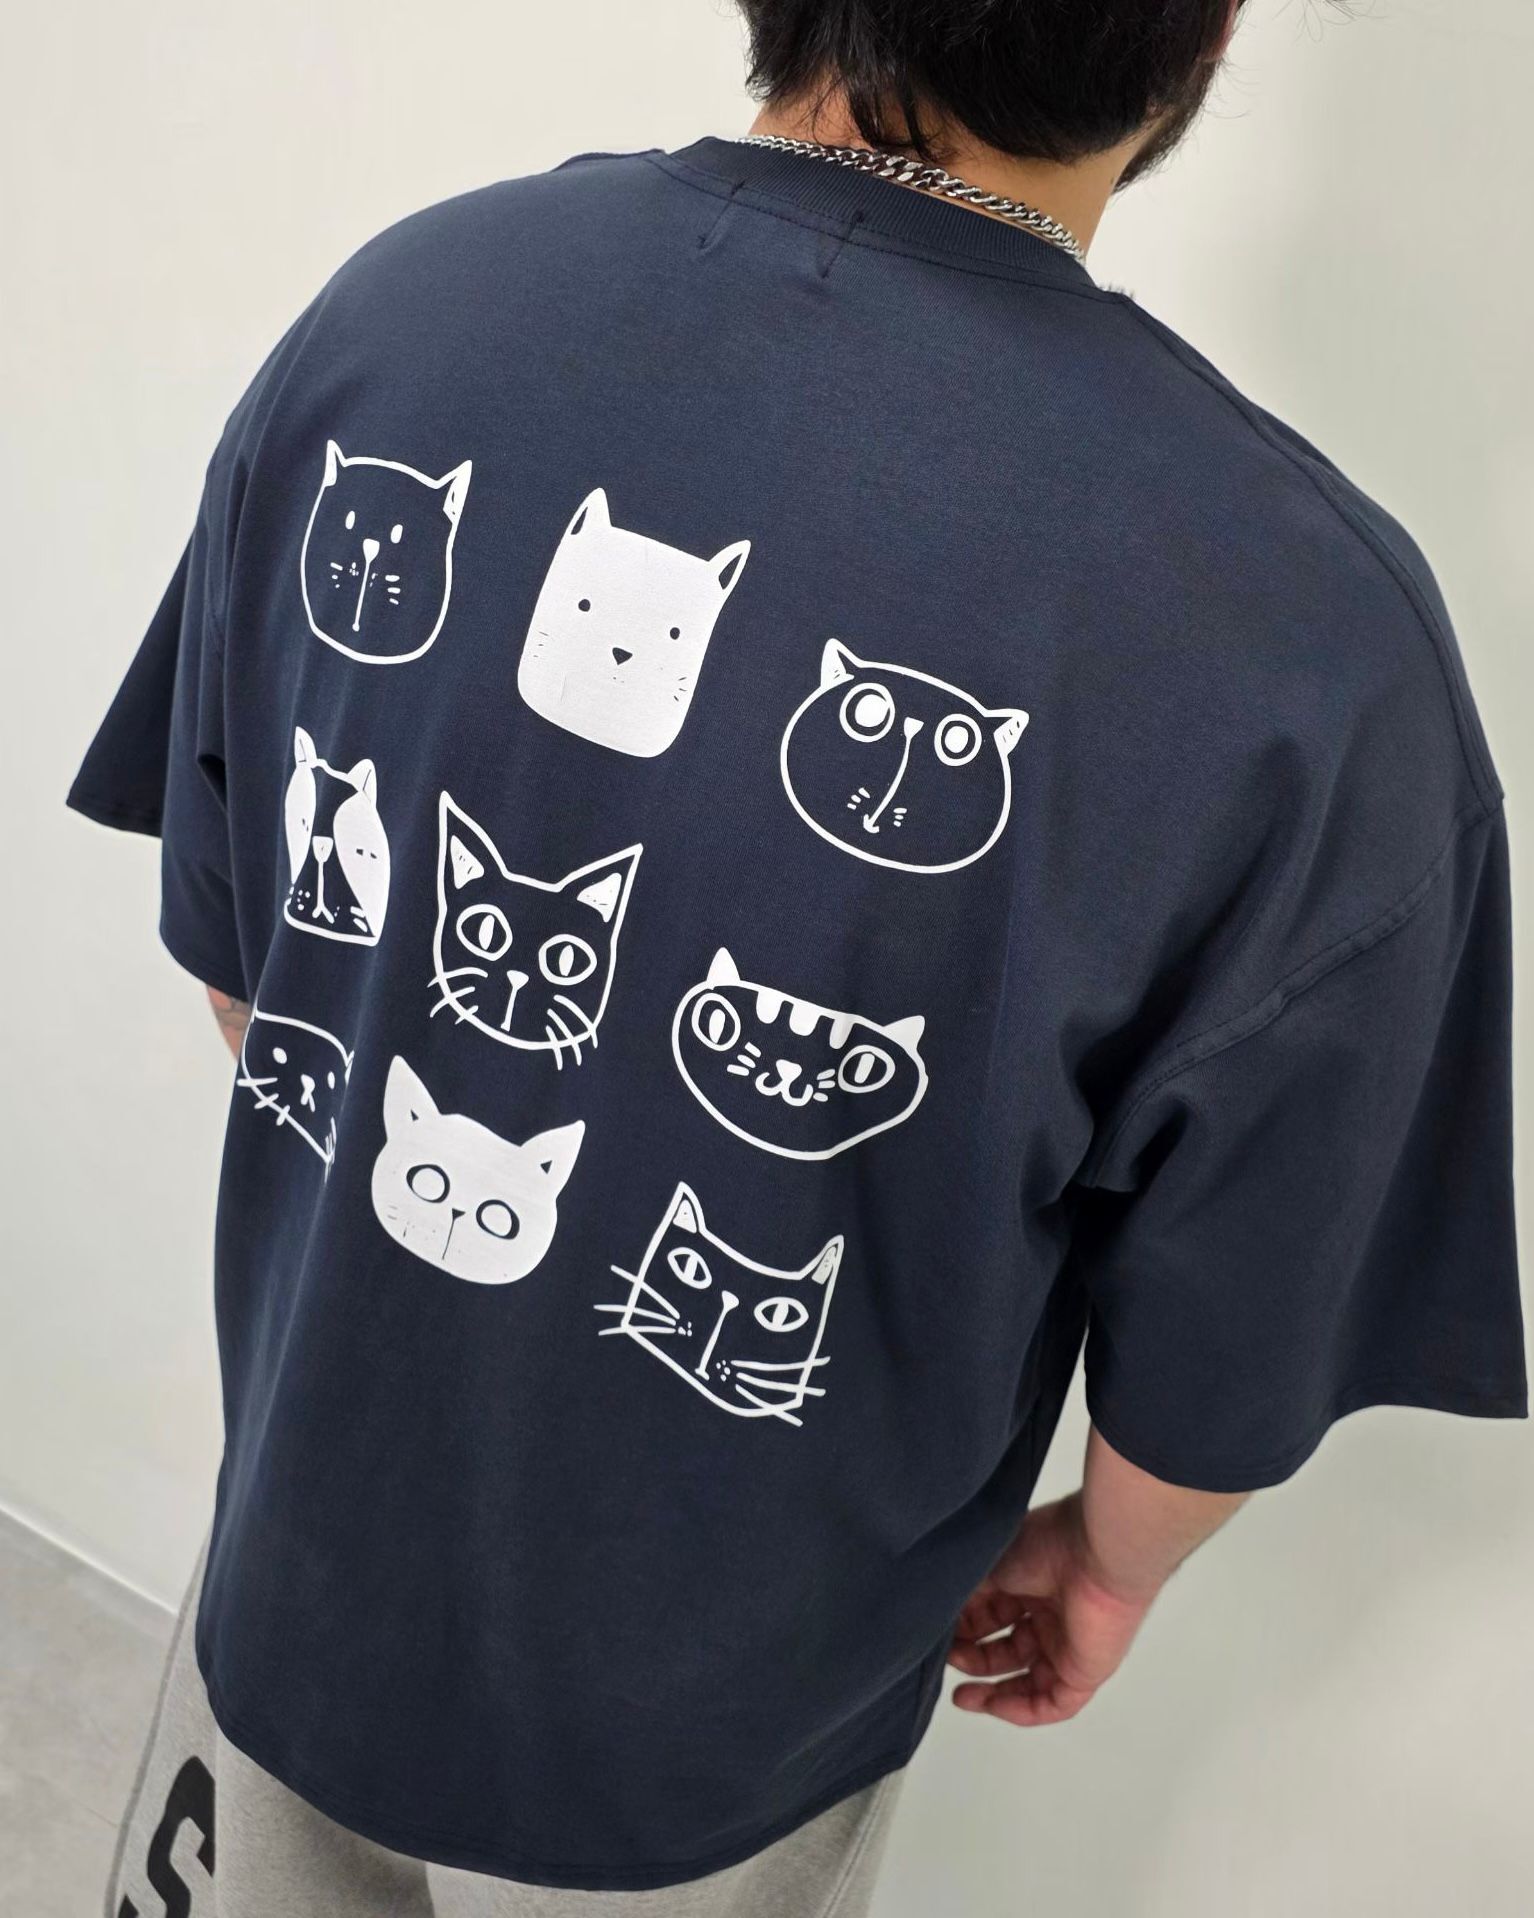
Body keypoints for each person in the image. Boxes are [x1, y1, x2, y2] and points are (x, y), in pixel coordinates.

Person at [72, 2, 1526, 1913]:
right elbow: (1222, 1367)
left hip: (302, 1549)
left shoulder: (405, 317)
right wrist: (1106, 1563)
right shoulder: (1313, 644)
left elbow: (253, 963)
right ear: (1198, 37)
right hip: (727, 1721)